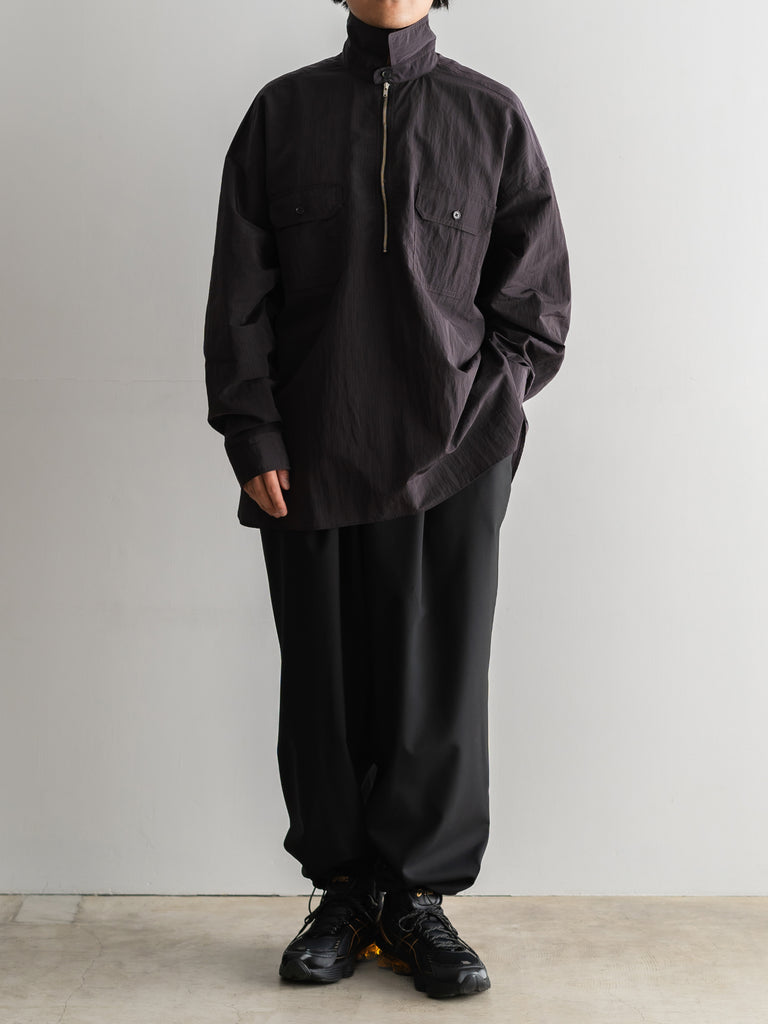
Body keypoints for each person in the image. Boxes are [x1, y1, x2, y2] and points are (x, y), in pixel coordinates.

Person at [203, 0, 571, 1001]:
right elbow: (239, 292)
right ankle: (344, 894)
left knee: (436, 681)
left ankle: (415, 900)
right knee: (323, 681)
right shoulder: (282, 115)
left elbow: (535, 306)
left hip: (457, 456)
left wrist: (480, 421)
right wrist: (253, 432)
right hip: (310, 453)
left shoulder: (489, 115)